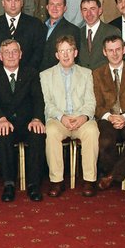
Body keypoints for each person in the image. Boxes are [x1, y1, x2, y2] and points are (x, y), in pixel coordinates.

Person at [0, 39, 46, 202]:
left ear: (20, 54)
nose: (11, 55)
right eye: (6, 52)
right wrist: (1, 119)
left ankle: (34, 184)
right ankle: (9, 184)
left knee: (38, 134)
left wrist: (37, 118)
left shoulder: (31, 73)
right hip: (4, 122)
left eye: (14, 52)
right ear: (0, 56)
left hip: (28, 122)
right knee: (3, 134)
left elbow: (38, 99)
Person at [40, 35, 99, 197]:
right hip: (59, 119)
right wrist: (62, 117)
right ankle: (56, 181)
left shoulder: (87, 73)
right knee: (51, 132)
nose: (65, 55)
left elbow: (90, 102)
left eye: (69, 51)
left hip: (81, 118)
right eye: (62, 51)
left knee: (92, 131)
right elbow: (48, 103)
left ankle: (89, 180)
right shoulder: (45, 75)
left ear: (75, 53)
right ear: (57, 55)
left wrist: (83, 117)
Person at [92, 35, 125, 191]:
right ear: (104, 52)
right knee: (105, 141)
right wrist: (110, 117)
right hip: (107, 118)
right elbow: (95, 102)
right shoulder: (97, 73)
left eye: (117, 49)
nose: (114, 54)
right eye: (110, 50)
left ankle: (111, 176)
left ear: (124, 50)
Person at [0, 0, 46, 70]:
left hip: (28, 76)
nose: (13, 4)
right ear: (3, 3)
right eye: (9, 0)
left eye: (17, 0)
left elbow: (38, 53)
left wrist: (25, 73)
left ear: (22, 3)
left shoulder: (35, 24)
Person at [77, 0, 121, 69]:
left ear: (100, 10)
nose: (89, 13)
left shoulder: (112, 31)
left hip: (104, 78)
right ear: (81, 13)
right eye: (85, 10)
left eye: (92, 9)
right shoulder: (77, 33)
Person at [40, 0, 80, 71]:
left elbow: (75, 59)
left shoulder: (73, 30)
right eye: (52, 4)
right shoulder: (39, 27)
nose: (54, 8)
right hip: (38, 76)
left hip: (60, 76)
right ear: (47, 7)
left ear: (65, 8)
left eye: (59, 5)